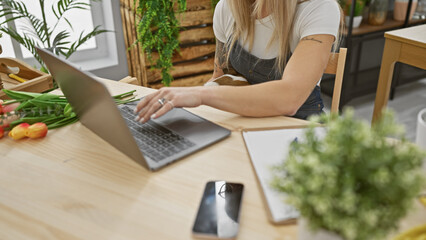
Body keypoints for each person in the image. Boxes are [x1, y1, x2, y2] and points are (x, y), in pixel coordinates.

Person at [134, 0, 341, 122]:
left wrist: (199, 94)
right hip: (244, 121)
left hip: (298, 128)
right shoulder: (227, 8)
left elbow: (290, 99)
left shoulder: (319, 8)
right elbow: (221, 76)